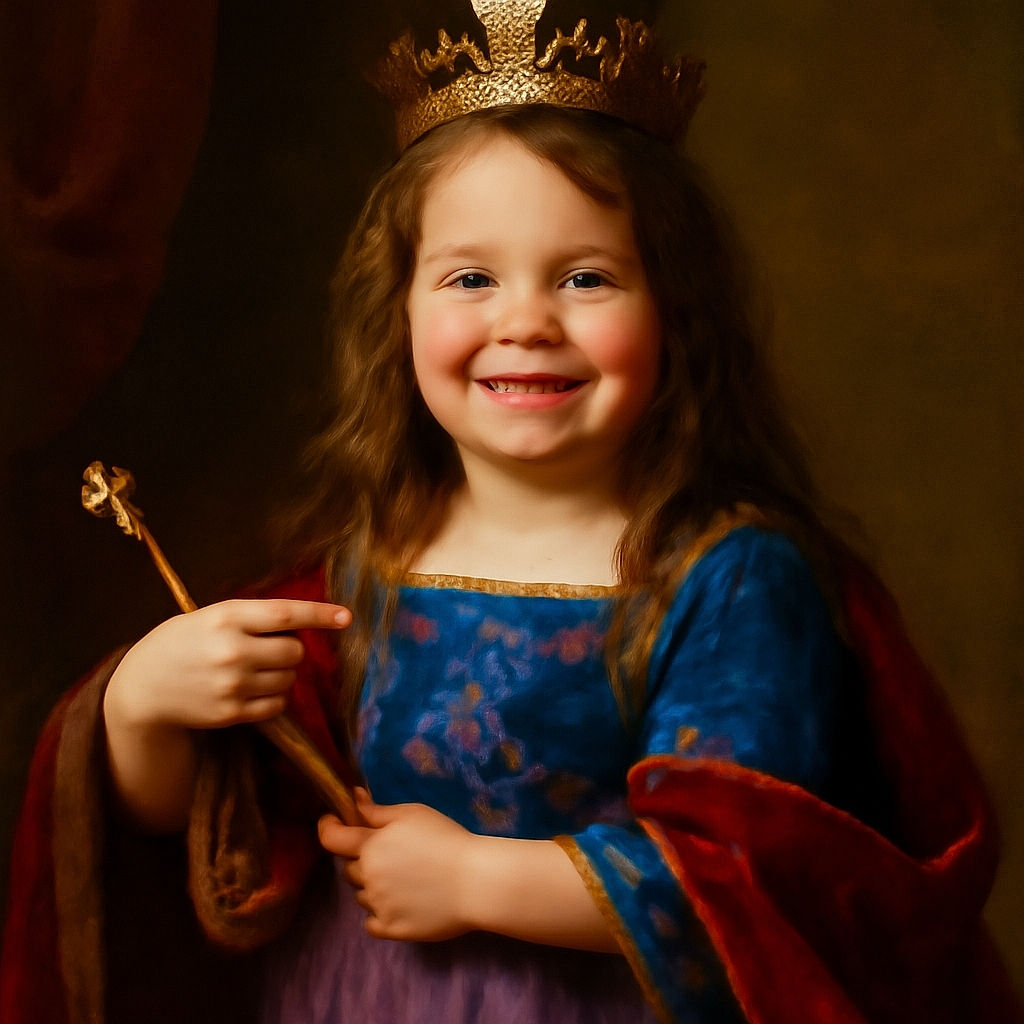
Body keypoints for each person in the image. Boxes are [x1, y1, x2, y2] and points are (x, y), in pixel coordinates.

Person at [1, 3, 1018, 1023]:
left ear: (676, 311)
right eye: (470, 277)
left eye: (585, 278)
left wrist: (478, 882)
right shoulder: (362, 564)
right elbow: (231, 823)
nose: (524, 321)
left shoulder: (730, 577)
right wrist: (143, 706)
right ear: (398, 309)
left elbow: (745, 876)